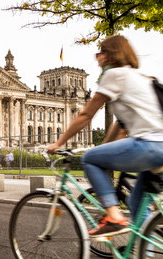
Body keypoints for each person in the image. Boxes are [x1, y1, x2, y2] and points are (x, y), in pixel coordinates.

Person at [47, 35, 163, 238]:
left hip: (149, 145)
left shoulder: (113, 75)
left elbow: (85, 115)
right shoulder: (142, 78)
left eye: (101, 52)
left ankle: (113, 217)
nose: (97, 57)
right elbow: (121, 124)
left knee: (90, 158)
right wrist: (107, 150)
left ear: (111, 55)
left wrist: (59, 142)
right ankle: (145, 251)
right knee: (137, 204)